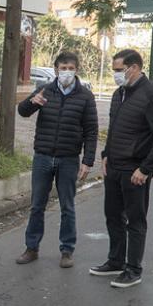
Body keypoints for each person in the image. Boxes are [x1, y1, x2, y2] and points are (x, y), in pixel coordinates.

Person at [90, 50, 153, 288]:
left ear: (134, 68)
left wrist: (146, 169)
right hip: (114, 167)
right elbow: (115, 129)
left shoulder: (152, 96)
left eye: (119, 70)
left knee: (135, 221)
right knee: (113, 216)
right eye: (114, 70)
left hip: (135, 170)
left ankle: (133, 269)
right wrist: (106, 154)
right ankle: (115, 261)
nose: (116, 75)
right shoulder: (119, 94)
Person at [16, 51, 98, 268]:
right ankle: (31, 248)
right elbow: (22, 111)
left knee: (67, 207)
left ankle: (67, 250)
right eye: (63, 68)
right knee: (37, 206)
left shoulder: (85, 96)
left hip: (68, 159)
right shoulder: (45, 90)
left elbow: (91, 131)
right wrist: (32, 102)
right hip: (43, 157)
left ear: (77, 70)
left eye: (71, 68)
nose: (67, 72)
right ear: (56, 70)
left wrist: (88, 160)